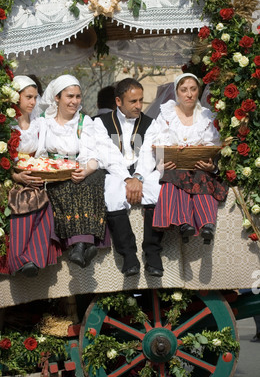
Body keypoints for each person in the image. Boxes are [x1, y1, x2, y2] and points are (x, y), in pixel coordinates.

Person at [0, 75, 61, 277]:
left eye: (35, 97)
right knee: (23, 198)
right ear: (16, 98)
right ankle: (18, 258)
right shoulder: (6, 125)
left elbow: (43, 153)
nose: (33, 102)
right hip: (12, 177)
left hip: (35, 173)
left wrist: (40, 171)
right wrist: (16, 176)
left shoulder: (39, 123)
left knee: (45, 201)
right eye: (28, 97)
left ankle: (34, 258)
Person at [94, 78, 164, 277]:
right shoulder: (100, 123)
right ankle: (129, 256)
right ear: (118, 102)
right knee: (111, 193)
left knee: (157, 190)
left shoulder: (151, 123)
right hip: (116, 174)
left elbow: (149, 154)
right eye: (133, 101)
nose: (139, 106)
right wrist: (127, 179)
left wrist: (138, 177)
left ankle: (152, 254)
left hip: (142, 174)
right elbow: (108, 154)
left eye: (141, 100)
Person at [39, 74, 109, 269]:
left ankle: (79, 246)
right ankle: (83, 244)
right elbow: (39, 154)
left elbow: (93, 156)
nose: (74, 101)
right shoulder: (44, 122)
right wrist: (53, 170)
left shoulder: (84, 121)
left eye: (78, 96)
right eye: (70, 96)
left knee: (91, 180)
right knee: (65, 187)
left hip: (79, 169)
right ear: (57, 97)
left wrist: (85, 171)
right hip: (53, 173)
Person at [152, 72, 229, 244]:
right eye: (184, 89)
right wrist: (162, 162)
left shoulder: (207, 116)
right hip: (175, 166)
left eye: (193, 89)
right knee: (174, 175)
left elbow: (215, 146)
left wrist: (211, 165)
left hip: (200, 168)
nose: (189, 94)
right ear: (177, 92)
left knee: (202, 175)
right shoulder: (166, 115)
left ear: (198, 91)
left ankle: (206, 225)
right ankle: (185, 223)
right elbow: (157, 142)